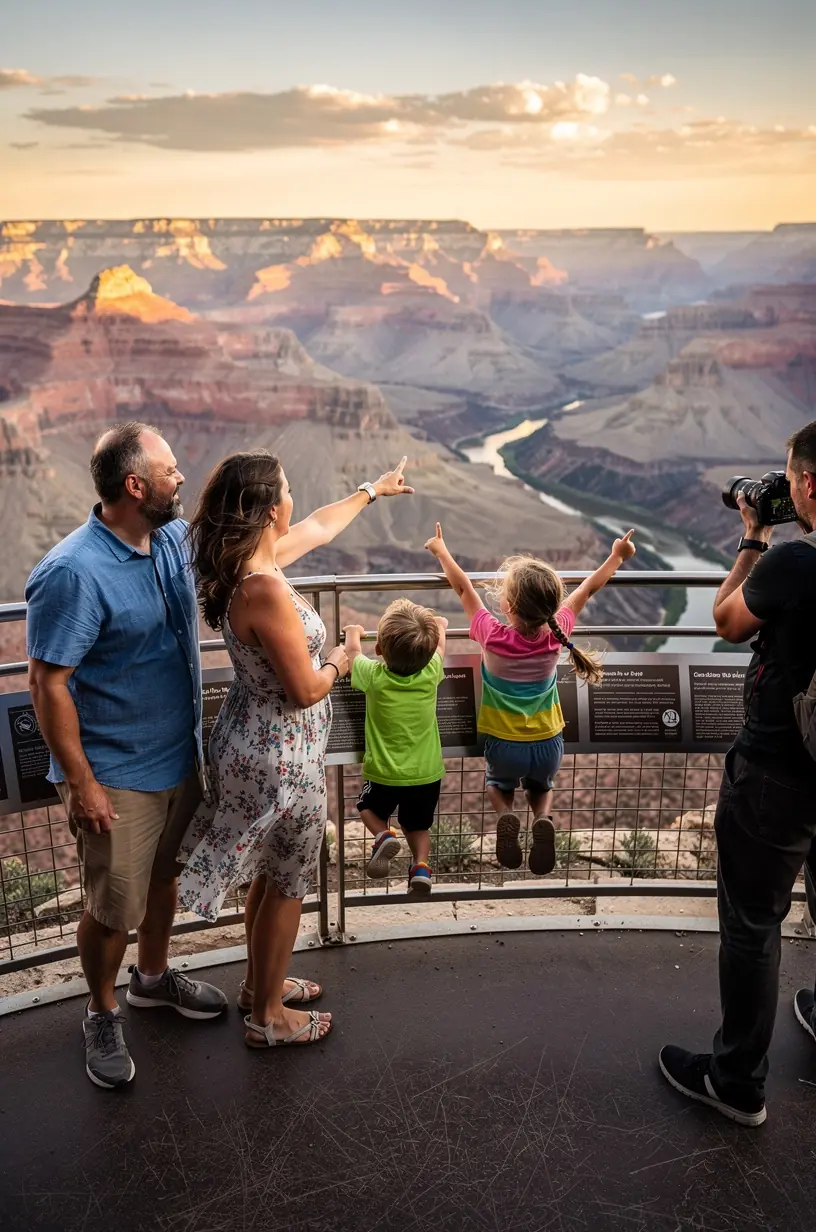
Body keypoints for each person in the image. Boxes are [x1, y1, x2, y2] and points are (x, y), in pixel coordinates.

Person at [178, 451, 413, 1048]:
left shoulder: (248, 563)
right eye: (284, 491)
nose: (292, 500)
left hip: (255, 741)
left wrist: (372, 490)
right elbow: (305, 690)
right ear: (265, 511)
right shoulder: (263, 587)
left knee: (271, 870)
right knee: (288, 882)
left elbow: (320, 526)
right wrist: (343, 656)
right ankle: (268, 1019)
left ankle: (260, 986)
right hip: (280, 756)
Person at [25, 422, 227, 1091]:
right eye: (170, 470)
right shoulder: (73, 572)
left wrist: (365, 493)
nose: (181, 477)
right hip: (115, 773)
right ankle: (102, 1011)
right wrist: (82, 783)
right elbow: (47, 683)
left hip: (178, 756)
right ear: (136, 486)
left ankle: (152, 979)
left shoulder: (168, 539)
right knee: (113, 908)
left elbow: (259, 540)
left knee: (164, 878)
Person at [659, 422, 816, 1128]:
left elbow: (726, 620)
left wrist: (754, 537)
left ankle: (737, 1081)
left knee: (753, 922)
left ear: (807, 483)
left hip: (778, 773)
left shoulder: (795, 564)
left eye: (791, 479)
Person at [424, 522, 636, 872]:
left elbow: (463, 588)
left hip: (504, 742)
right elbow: (587, 589)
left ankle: (506, 815)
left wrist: (441, 551)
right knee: (541, 786)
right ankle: (542, 817)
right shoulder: (558, 632)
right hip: (548, 741)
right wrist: (617, 556)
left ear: (507, 605)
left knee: (497, 783)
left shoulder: (492, 635)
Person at [343, 601, 448, 895]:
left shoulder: (373, 676)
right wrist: (440, 626)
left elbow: (352, 654)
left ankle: (383, 835)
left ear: (378, 649)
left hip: (384, 772)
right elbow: (440, 648)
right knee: (418, 827)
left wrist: (353, 631)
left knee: (366, 807)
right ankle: (421, 867)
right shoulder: (432, 672)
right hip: (426, 773)